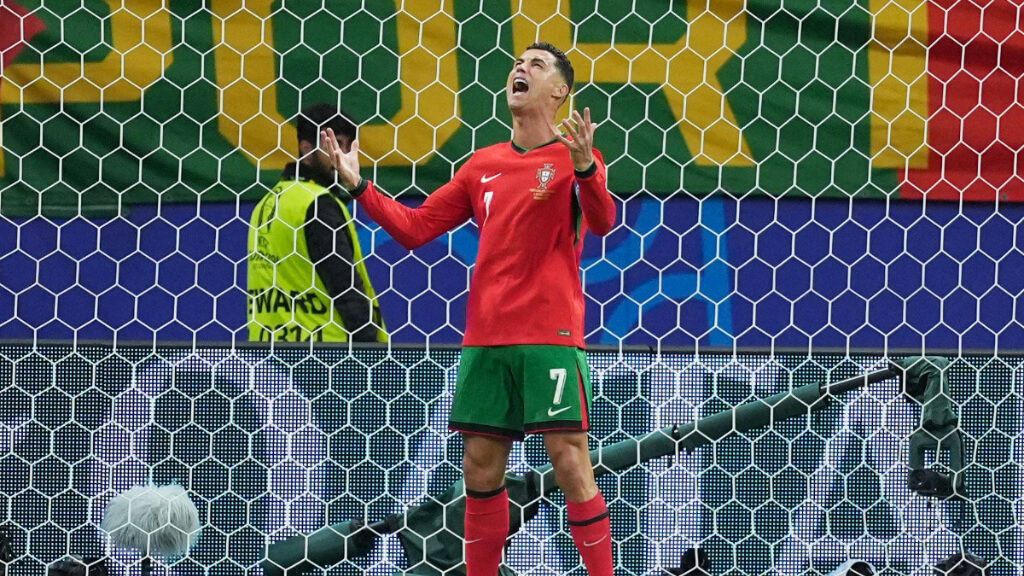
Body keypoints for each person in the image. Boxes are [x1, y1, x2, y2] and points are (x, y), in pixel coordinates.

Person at [322, 42, 616, 574]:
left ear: (561, 91)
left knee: (569, 460)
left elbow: (603, 223)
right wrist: (360, 186)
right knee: (479, 472)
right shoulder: (482, 164)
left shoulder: (576, 159)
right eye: (518, 62)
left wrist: (586, 168)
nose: (520, 68)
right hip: (485, 337)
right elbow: (414, 229)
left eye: (538, 64)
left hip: (548, 335)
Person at [247, 104, 387, 343]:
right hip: (327, 354)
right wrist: (370, 351)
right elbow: (344, 287)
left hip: (270, 353)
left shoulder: (266, 204)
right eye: (332, 145)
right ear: (306, 148)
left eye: (345, 146)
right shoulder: (317, 203)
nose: (340, 155)